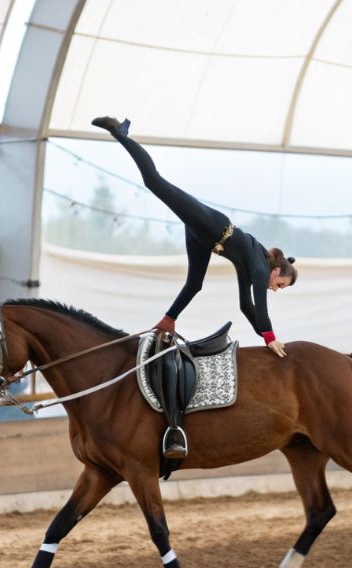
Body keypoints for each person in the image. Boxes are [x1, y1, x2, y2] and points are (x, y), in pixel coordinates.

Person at [91, 114, 298, 457]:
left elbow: (246, 307)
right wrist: (270, 338)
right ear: (279, 270)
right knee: (154, 182)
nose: (276, 289)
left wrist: (264, 333)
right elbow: (259, 307)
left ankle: (168, 319)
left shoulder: (253, 261)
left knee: (194, 284)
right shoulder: (261, 264)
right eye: (281, 284)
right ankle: (122, 134)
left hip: (206, 239)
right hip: (213, 228)